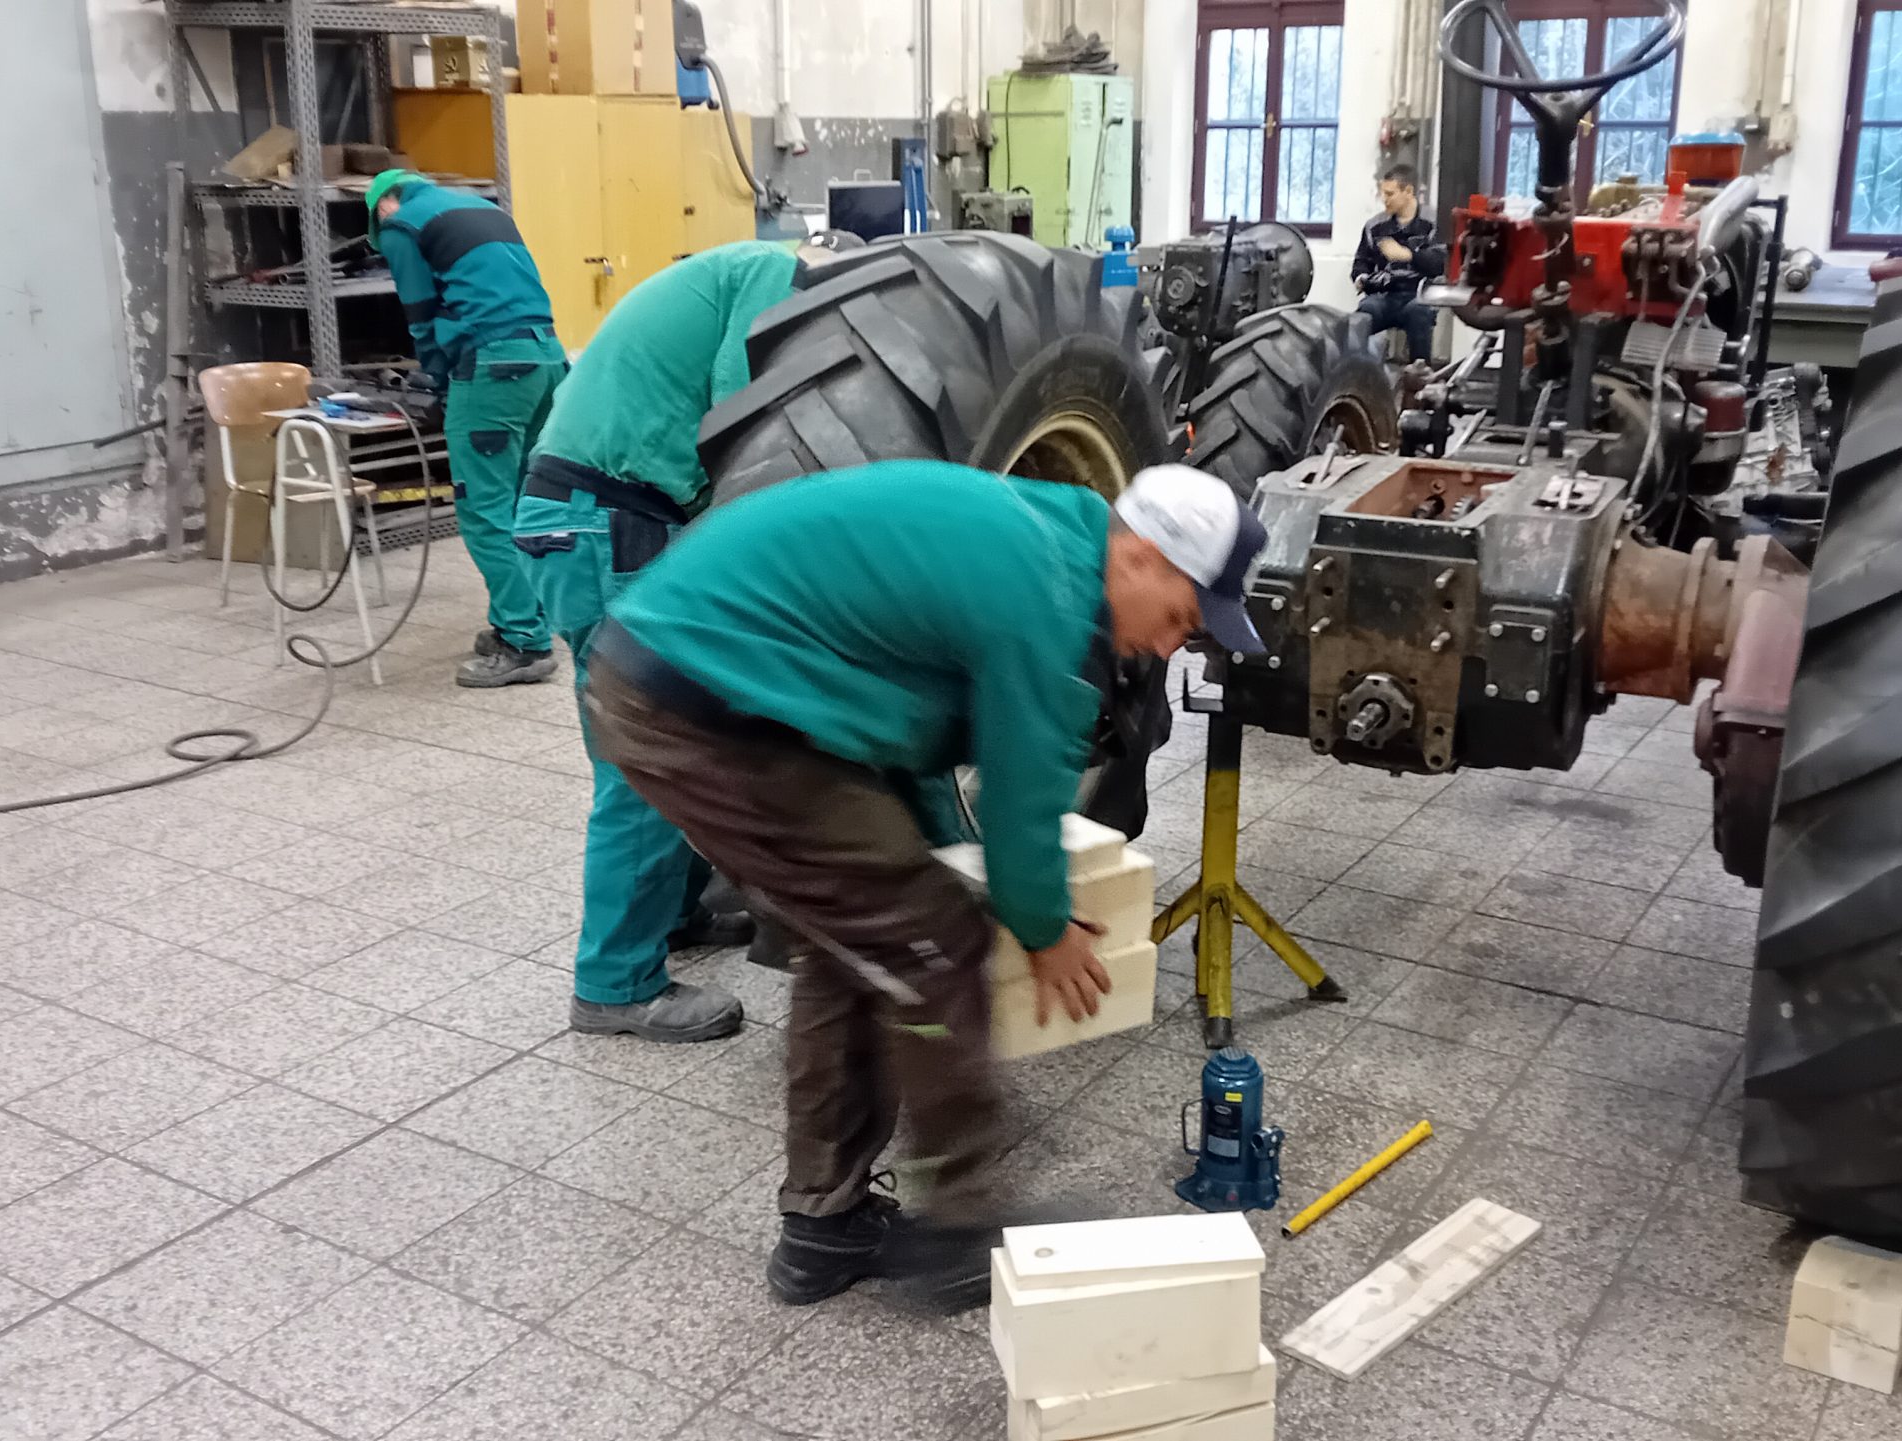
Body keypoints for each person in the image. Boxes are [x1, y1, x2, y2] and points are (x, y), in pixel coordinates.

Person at [582, 460, 1270, 1310]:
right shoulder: (1050, 606)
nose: (1164, 648)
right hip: (704, 706)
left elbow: (905, 741)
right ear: (1141, 556)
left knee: (867, 935)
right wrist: (1045, 929)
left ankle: (825, 1227)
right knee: (932, 942)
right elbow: (1022, 809)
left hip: (714, 681)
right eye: (1178, 619)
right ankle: (958, 1229)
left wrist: (944, 867)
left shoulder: (1049, 541)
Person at [510, 240, 818, 1043]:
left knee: (672, 741)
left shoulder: (727, 275)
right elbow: (744, 424)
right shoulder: (776, 274)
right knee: (646, 758)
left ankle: (675, 914)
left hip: (590, 517)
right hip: (609, 521)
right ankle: (614, 986)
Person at [367, 169, 567, 688]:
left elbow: (420, 314)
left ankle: (525, 642)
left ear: (383, 206)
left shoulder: (400, 224)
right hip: (546, 358)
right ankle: (525, 619)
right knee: (526, 503)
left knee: (484, 509)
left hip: (493, 369)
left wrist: (436, 382)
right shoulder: (484, 209)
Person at [1350, 165, 1448, 363]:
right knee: (1362, 316)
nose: (1384, 199)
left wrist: (1409, 255)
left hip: (1420, 295)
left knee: (1418, 313)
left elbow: (1440, 264)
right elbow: (1361, 262)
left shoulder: (1434, 223)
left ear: (1408, 191)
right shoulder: (1374, 226)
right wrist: (1361, 278)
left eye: (1390, 194)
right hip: (1384, 296)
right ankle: (1357, 372)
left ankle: (1420, 374)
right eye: (1383, 193)